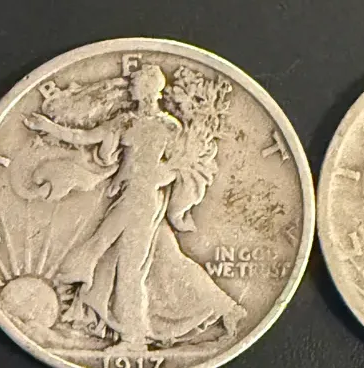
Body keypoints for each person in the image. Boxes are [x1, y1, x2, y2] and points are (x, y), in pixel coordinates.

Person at [24, 64, 245, 349]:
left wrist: (156, 177)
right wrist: (48, 127)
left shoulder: (169, 127)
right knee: (165, 260)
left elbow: (178, 166)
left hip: (144, 201)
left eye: (136, 83)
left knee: (126, 266)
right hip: (129, 198)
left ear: (150, 88)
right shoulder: (125, 122)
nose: (131, 87)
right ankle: (228, 309)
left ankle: (133, 337)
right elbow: (85, 137)